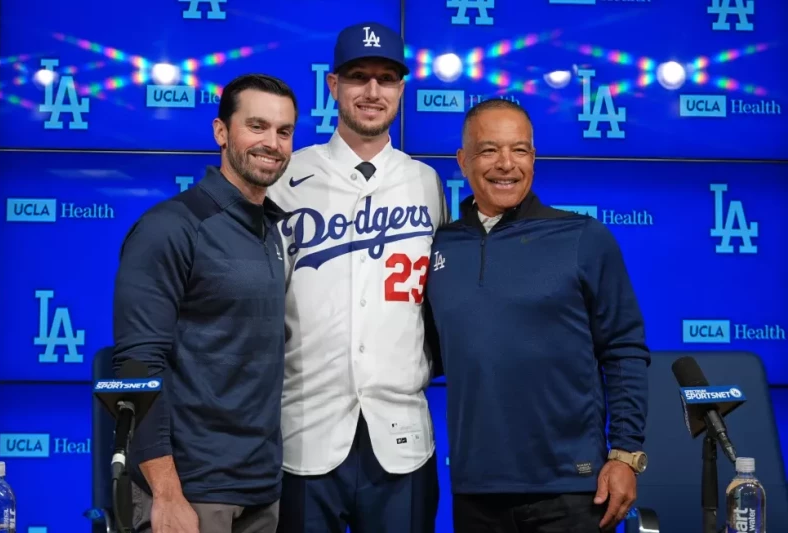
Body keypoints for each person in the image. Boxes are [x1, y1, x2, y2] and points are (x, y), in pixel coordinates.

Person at [424, 98, 651, 533]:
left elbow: (624, 350)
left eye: (520, 150)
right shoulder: (439, 246)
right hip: (475, 491)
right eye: (489, 150)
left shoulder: (583, 237)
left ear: (533, 156)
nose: (506, 164)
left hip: (575, 488)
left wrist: (625, 454)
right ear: (463, 160)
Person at [267, 21, 446, 533]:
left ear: (400, 89)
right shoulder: (285, 178)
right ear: (333, 86)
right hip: (304, 432)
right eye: (358, 77)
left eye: (386, 78)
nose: (372, 91)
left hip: (403, 436)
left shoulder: (426, 183)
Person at [112, 73, 298, 533]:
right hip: (191, 492)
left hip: (261, 485)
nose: (271, 143)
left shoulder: (271, 230)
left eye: (284, 131)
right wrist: (167, 493)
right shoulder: (171, 227)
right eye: (257, 126)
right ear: (221, 132)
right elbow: (137, 369)